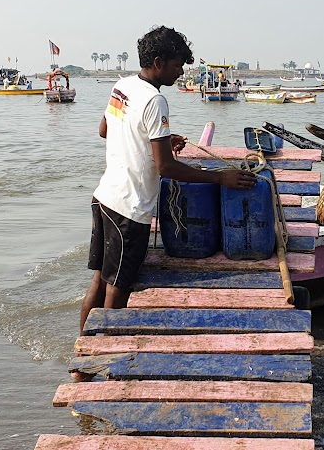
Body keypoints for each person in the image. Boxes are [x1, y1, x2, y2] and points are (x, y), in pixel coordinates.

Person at [80, 26, 256, 332]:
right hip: (129, 209)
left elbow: (106, 131)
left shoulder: (122, 86)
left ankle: (81, 365)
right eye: (176, 67)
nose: (179, 75)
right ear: (158, 62)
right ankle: (102, 359)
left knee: (99, 280)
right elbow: (167, 169)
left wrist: (158, 139)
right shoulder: (154, 100)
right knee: (118, 288)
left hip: (104, 198)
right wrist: (219, 177)